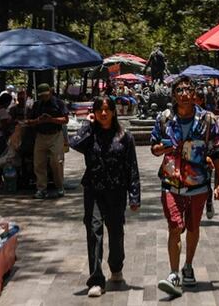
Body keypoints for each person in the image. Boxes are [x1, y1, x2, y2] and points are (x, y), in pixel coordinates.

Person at [150, 75, 219, 296]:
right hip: (171, 182)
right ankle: (173, 273)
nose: (184, 94)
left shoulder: (208, 120)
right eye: (180, 90)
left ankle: (188, 266)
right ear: (173, 94)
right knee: (174, 227)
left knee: (192, 227)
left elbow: (218, 152)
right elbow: (153, 147)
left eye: (188, 90)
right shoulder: (164, 118)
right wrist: (163, 149)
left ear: (194, 94)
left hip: (198, 184)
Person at [70, 96, 141, 298]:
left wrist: (134, 196)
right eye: (99, 110)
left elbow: (132, 168)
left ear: (113, 111)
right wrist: (87, 123)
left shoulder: (124, 136)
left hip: (117, 191)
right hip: (93, 190)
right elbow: (73, 143)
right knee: (94, 231)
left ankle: (116, 266)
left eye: (107, 109)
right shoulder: (89, 134)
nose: (103, 113)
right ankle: (96, 279)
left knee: (116, 232)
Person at [27, 83, 69, 198]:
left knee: (56, 162)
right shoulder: (37, 105)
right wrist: (38, 121)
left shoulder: (59, 103)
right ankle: (41, 189)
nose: (44, 97)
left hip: (55, 135)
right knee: (39, 163)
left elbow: (65, 120)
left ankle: (60, 187)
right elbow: (29, 121)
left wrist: (51, 119)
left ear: (50, 92)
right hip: (41, 136)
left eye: (46, 95)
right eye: (42, 96)